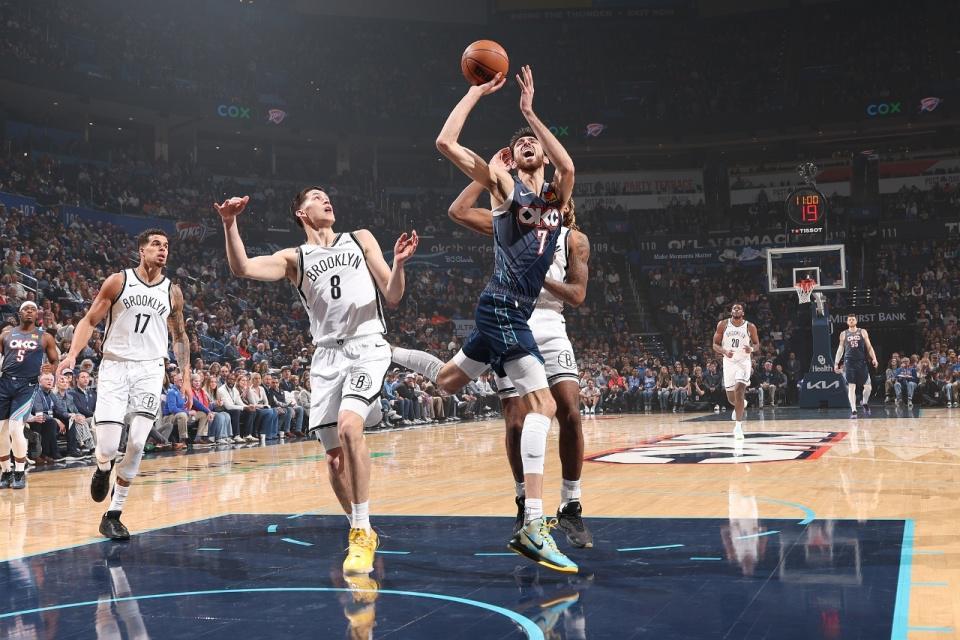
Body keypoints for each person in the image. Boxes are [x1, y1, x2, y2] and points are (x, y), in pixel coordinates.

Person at [391, 65, 578, 573]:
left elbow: (567, 165)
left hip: (505, 311)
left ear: (542, 154)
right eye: (518, 144)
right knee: (542, 405)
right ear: (510, 159)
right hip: (504, 307)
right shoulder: (504, 188)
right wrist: (475, 93)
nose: (526, 145)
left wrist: (529, 114)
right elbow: (445, 143)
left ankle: (386, 352)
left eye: (532, 143)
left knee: (449, 380)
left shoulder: (556, 198)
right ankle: (534, 523)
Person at [214, 188, 417, 575]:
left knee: (350, 427)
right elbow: (243, 268)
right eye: (317, 197)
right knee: (334, 458)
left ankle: (360, 532)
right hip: (326, 357)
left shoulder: (360, 238)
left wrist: (399, 264)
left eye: (328, 197)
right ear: (301, 213)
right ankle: (362, 527)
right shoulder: (295, 258)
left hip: (366, 345)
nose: (327, 201)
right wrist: (229, 223)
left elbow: (392, 295)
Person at [448, 179, 593, 547]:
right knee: (515, 420)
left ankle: (571, 504)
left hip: (550, 323)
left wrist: (540, 275)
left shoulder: (574, 240)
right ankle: (524, 500)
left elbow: (577, 295)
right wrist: (484, 175)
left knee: (570, 412)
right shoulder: (510, 224)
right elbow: (459, 212)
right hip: (511, 318)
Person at [57, 228, 192, 540]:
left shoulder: (172, 292)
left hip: (150, 369)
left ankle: (113, 514)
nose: (163, 249)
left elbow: (180, 335)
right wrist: (72, 354)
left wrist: (185, 376)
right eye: (156, 244)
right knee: (107, 446)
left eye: (166, 245)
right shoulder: (119, 281)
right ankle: (103, 467)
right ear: (141, 250)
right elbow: (90, 320)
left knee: (138, 443)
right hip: (115, 366)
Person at [0, 301, 59, 489]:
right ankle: (6, 471)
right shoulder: (6, 335)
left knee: (15, 428)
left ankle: (19, 471)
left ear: (37, 315)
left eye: (33, 309)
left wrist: (51, 368)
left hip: (27, 385)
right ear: (19, 313)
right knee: (1, 431)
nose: (30, 311)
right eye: (26, 309)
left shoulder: (45, 337)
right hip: (4, 382)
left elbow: (55, 360)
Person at [712, 303, 760, 440]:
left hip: (743, 362)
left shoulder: (750, 326)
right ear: (731, 312)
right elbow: (714, 344)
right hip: (729, 362)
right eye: (734, 308)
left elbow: (757, 344)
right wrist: (724, 351)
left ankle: (738, 427)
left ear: (743, 313)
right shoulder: (723, 324)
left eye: (739, 308)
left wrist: (751, 349)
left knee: (739, 390)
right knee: (732, 399)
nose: (737, 309)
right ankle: (742, 404)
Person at [834, 314, 879, 418]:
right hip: (849, 362)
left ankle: (865, 403)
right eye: (849, 319)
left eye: (853, 319)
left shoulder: (862, 331)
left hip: (861, 362)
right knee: (851, 386)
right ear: (847, 322)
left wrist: (874, 358)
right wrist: (836, 363)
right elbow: (840, 349)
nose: (851, 321)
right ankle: (854, 410)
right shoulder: (843, 333)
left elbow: (869, 346)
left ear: (856, 321)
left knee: (868, 387)